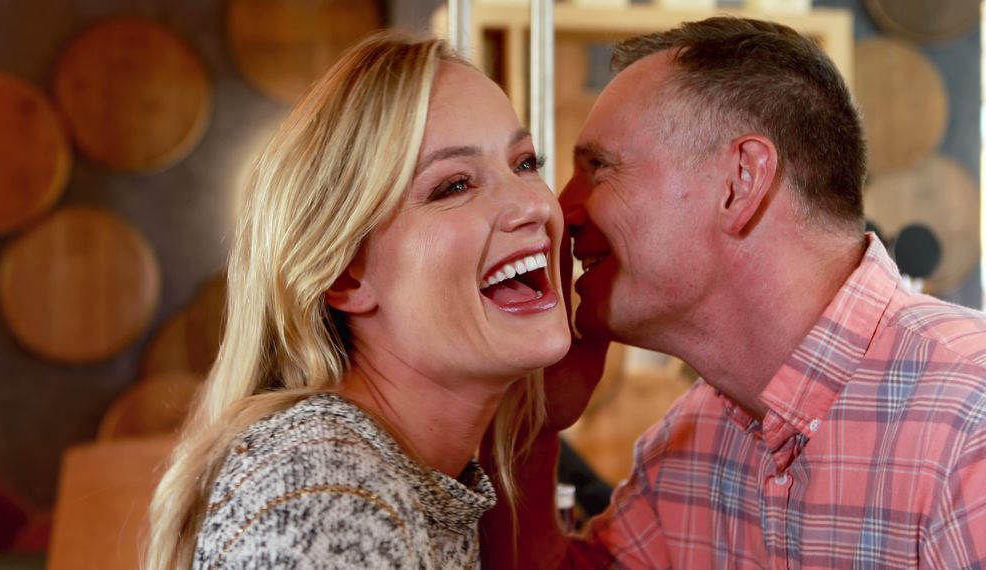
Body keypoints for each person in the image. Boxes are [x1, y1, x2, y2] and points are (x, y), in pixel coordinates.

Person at [479, 17, 986, 569]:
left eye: (599, 168)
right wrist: (531, 423)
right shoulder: (695, 439)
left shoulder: (969, 425)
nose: (563, 210)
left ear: (741, 181)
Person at [146, 33, 572, 569]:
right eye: (455, 185)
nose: (530, 205)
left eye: (527, 163)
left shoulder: (386, 473)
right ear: (347, 275)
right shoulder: (327, 496)